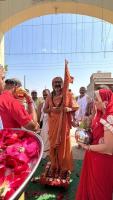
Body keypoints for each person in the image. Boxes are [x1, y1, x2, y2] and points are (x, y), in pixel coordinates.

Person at [76, 89, 113, 200]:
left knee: (99, 192)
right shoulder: (100, 114)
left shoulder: (109, 118)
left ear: (105, 102)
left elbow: (108, 148)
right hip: (93, 157)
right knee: (90, 188)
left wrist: (87, 147)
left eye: (97, 100)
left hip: (102, 161)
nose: (94, 102)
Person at [44, 75, 79, 178]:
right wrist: (51, 109)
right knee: (53, 146)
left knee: (63, 146)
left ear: (63, 83)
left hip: (64, 125)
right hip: (53, 125)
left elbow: (75, 107)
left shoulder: (68, 94)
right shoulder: (49, 96)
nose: (57, 84)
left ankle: (63, 168)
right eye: (55, 82)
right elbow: (44, 110)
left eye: (59, 82)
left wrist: (68, 109)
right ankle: (54, 166)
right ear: (52, 84)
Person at [38, 89, 50, 158]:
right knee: (44, 139)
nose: (45, 96)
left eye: (46, 95)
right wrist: (39, 125)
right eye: (44, 95)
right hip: (44, 125)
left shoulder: (53, 103)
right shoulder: (41, 104)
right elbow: (39, 116)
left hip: (52, 124)